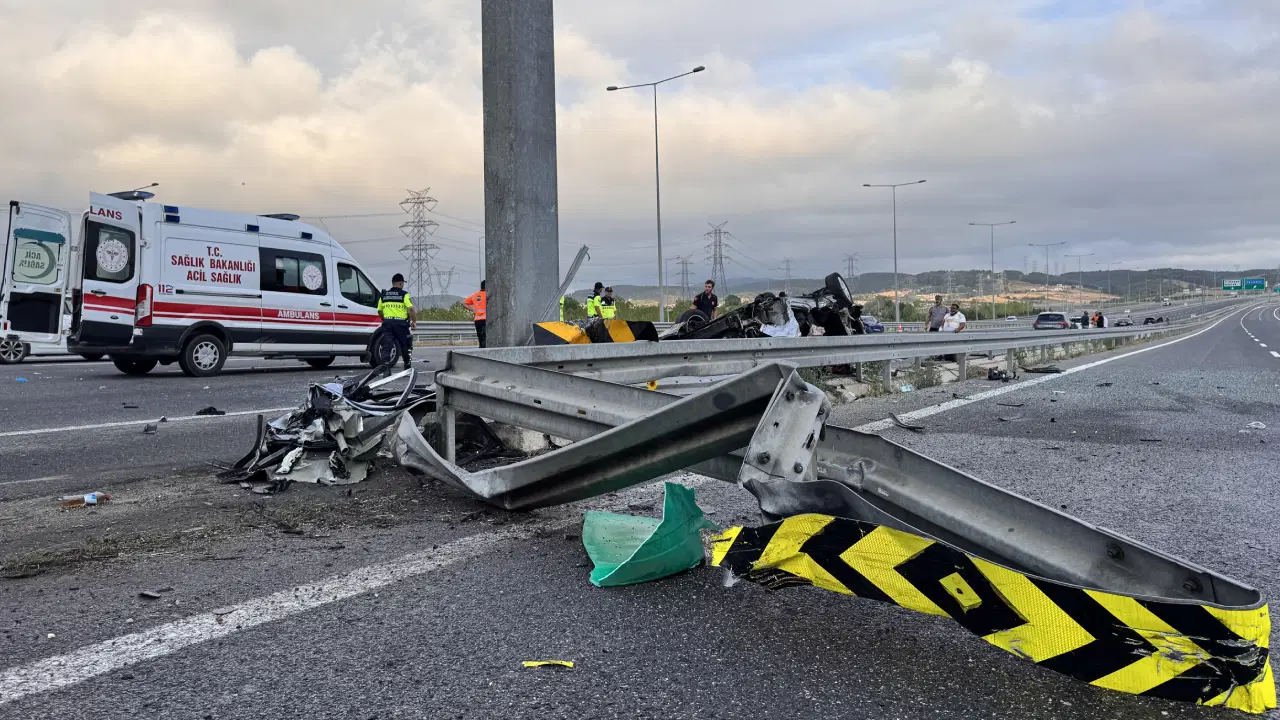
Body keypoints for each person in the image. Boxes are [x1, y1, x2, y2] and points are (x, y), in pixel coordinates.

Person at [376, 273, 416, 368]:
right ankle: (407, 364)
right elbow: (410, 309)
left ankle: (385, 368)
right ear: (401, 283)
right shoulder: (404, 295)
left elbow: (379, 310)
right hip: (401, 324)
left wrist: (384, 319)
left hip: (388, 323)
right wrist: (414, 321)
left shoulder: (384, 295)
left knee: (387, 346)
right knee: (405, 345)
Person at [463, 280, 487, 348]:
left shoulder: (475, 295)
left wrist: (473, 310)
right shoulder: (487, 295)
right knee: (485, 339)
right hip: (485, 320)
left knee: (480, 338)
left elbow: (464, 303)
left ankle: (480, 352)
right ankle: (484, 353)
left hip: (477, 320)